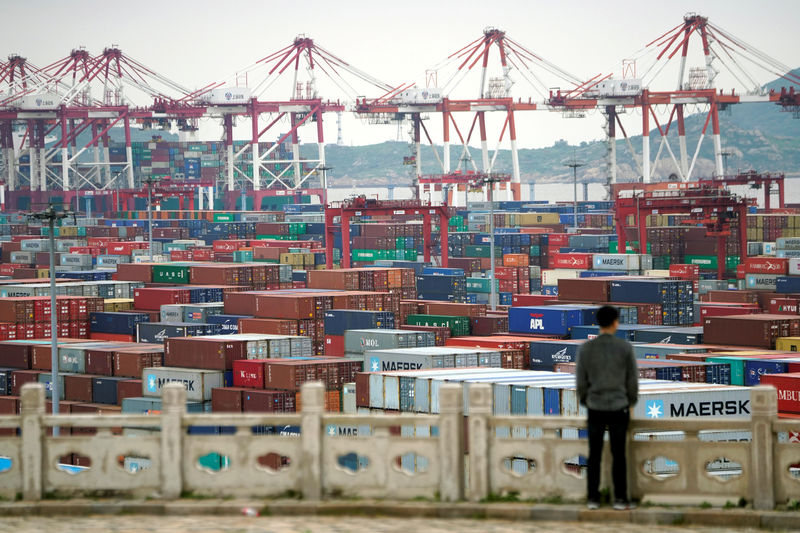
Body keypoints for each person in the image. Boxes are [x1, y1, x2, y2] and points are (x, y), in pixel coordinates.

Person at [575, 305, 638, 511]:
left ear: (598, 323)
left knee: (594, 454)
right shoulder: (625, 348)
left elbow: (581, 383)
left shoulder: (585, 349)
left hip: (595, 407)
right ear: (615, 322)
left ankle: (593, 498)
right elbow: (632, 382)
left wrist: (588, 401)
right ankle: (620, 499)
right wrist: (629, 402)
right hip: (619, 407)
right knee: (619, 455)